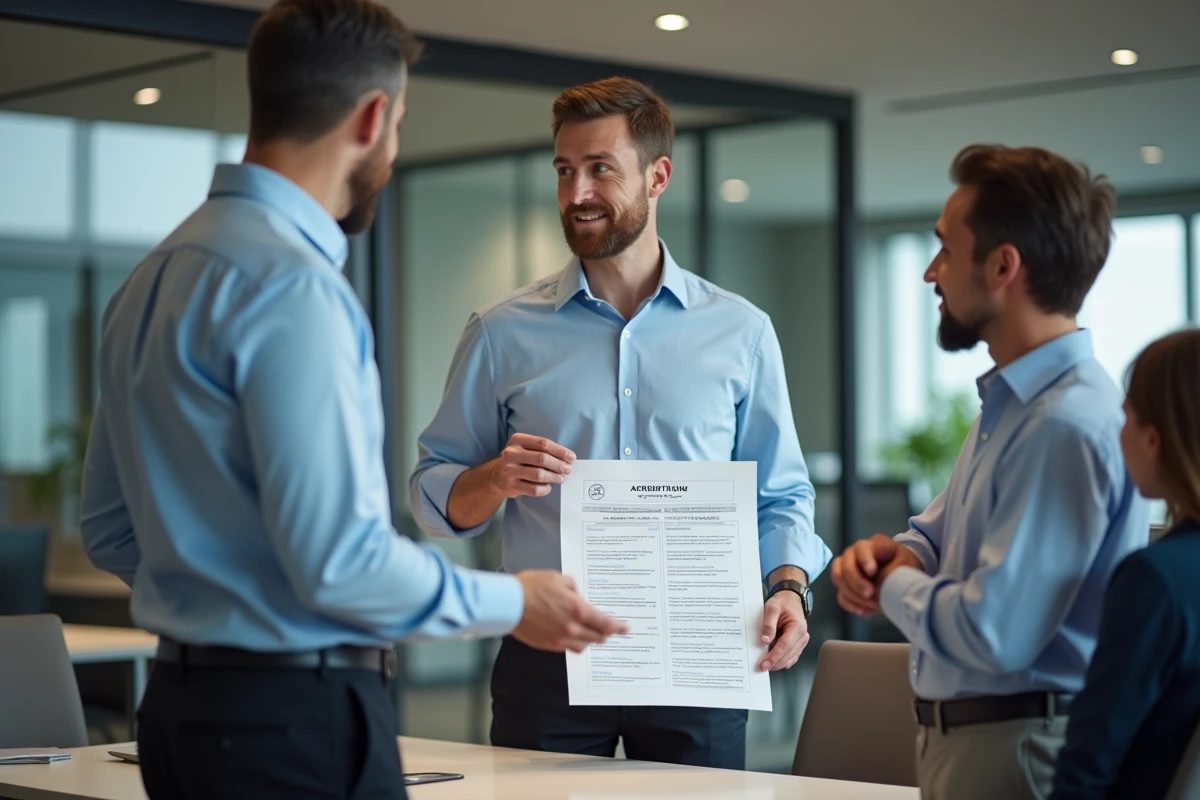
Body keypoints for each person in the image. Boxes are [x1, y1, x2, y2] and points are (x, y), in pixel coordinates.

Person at [79, 2, 622, 799]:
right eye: (399, 123)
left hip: (178, 713)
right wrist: (513, 600)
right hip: (290, 721)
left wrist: (223, 599)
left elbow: (107, 530)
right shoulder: (292, 288)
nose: (394, 149)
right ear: (373, 117)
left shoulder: (151, 278)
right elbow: (340, 564)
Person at [409, 77, 830, 769]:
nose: (576, 194)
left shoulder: (741, 333)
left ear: (658, 175)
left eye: (600, 169)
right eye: (564, 171)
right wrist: (491, 478)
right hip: (549, 658)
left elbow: (781, 495)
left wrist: (787, 586)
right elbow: (432, 494)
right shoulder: (500, 332)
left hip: (701, 653)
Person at [830, 144, 1149, 800]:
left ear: (1004, 265)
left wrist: (892, 585)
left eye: (946, 248)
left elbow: (991, 631)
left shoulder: (1064, 423)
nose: (930, 272)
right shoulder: (1015, 406)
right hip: (983, 744)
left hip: (1018, 754)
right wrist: (891, 556)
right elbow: (932, 538)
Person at [1051, 328, 1200, 800]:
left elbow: (1087, 769)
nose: (1119, 432)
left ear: (1154, 437)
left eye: (1128, 415)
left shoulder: (1155, 582)